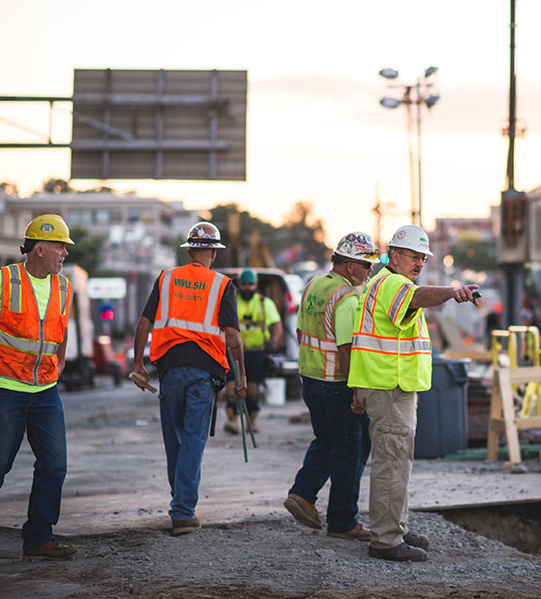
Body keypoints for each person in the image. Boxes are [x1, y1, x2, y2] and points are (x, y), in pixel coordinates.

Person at [348, 225, 480, 562]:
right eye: (412, 256)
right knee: (392, 463)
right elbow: (417, 297)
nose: (419, 262)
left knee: (396, 461)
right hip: (389, 386)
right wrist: (452, 292)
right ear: (393, 255)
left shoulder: (383, 283)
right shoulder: (393, 284)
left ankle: (394, 527)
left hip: (387, 385)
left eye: (423, 257)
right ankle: (386, 540)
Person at [0, 214, 78, 561]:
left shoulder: (64, 286)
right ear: (39, 249)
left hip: (45, 391)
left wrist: (61, 360)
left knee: (54, 466)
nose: (64, 254)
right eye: (60, 247)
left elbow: (61, 326)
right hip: (5, 389)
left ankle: (39, 539)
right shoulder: (2, 280)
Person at [131, 221, 247, 536]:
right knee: (193, 440)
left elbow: (144, 323)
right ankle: (182, 510)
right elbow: (233, 335)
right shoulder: (222, 285)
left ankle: (180, 503)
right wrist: (242, 377)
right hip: (204, 371)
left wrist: (138, 363)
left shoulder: (167, 278)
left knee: (176, 441)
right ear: (213, 251)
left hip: (169, 370)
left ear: (190, 249)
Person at [284, 231, 380, 540]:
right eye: (367, 267)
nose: (370, 272)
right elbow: (345, 348)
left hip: (312, 381)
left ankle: (302, 494)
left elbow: (300, 331)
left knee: (327, 441)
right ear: (350, 266)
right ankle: (342, 521)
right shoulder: (347, 298)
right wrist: (357, 392)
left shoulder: (314, 285)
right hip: (337, 382)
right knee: (350, 451)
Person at [224, 269, 283, 434]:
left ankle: (251, 421)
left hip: (256, 352)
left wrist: (274, 341)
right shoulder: (232, 301)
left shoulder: (265, 303)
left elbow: (276, 323)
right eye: (244, 284)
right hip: (233, 352)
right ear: (239, 285)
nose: (247, 287)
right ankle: (233, 421)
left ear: (256, 285)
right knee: (231, 389)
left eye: (251, 284)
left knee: (252, 390)